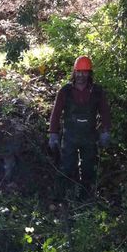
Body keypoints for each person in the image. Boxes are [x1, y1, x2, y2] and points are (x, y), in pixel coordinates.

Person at [49, 55, 111, 200]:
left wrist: (105, 131)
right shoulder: (65, 91)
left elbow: (105, 112)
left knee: (89, 167)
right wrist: (53, 134)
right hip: (70, 136)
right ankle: (62, 196)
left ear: (89, 74)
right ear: (74, 72)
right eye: (78, 72)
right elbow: (56, 113)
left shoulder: (97, 91)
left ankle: (85, 197)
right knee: (66, 166)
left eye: (84, 72)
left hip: (89, 137)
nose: (81, 75)